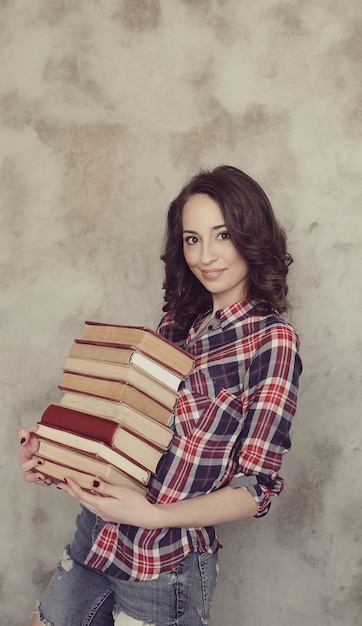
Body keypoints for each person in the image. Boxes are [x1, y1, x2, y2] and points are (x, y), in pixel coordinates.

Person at [19, 165, 302, 626]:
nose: (205, 255)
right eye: (192, 239)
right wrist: (53, 457)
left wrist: (152, 516)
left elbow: (258, 488)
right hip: (97, 539)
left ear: (252, 236)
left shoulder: (272, 342)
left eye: (222, 235)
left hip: (165, 566)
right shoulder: (175, 324)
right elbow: (126, 438)